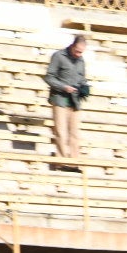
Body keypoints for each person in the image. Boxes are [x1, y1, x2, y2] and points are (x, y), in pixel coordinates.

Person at [43, 34, 88, 172]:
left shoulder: (81, 60)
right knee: (61, 132)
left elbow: (82, 79)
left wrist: (85, 88)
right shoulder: (58, 56)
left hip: (74, 101)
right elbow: (49, 77)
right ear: (72, 46)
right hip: (60, 99)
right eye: (77, 51)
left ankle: (74, 163)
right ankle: (62, 162)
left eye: (81, 52)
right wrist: (63, 87)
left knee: (75, 133)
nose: (79, 54)